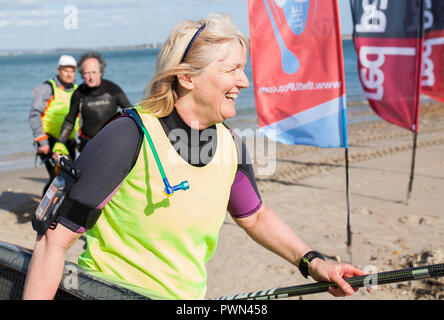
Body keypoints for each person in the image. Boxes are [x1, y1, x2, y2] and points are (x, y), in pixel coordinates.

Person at [23, 14, 368, 300]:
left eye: (242, 69)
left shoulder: (229, 143)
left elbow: (256, 216)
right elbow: (52, 240)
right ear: (187, 76)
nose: (244, 81)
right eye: (231, 69)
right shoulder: (128, 135)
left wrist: (314, 262)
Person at [53, 51, 132, 155]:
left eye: (94, 72)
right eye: (87, 73)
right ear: (81, 74)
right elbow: (69, 121)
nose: (91, 77)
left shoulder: (113, 89)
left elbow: (130, 113)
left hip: (112, 143)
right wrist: (59, 144)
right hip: (88, 146)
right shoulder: (78, 94)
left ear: (101, 72)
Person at [29, 55, 79, 195]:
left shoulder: (77, 89)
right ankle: (43, 211)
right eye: (65, 70)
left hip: (68, 141)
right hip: (49, 141)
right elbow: (35, 114)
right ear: (58, 70)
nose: (69, 74)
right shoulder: (47, 88)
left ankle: (59, 210)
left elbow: (79, 117)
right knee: (55, 179)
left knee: (69, 177)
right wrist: (42, 140)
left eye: (72, 71)